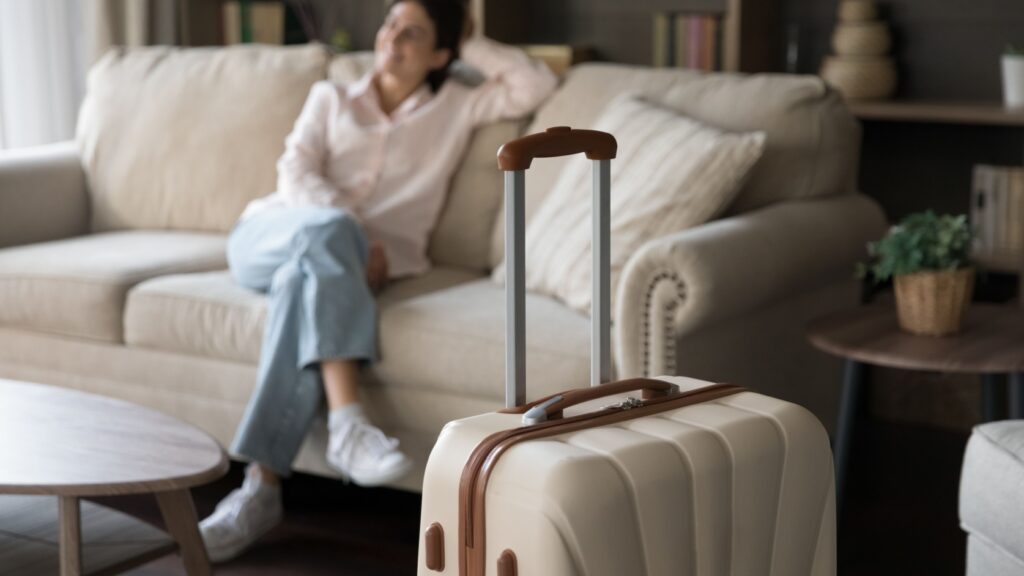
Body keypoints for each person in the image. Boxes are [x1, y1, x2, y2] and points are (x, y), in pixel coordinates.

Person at [198, 0, 557, 563]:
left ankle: (261, 489)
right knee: (325, 240)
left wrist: (467, 42)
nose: (393, 39)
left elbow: (535, 84)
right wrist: (353, 233)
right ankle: (347, 423)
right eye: (391, 25)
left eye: (413, 33)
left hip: (324, 267)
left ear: (440, 53)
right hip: (269, 234)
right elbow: (295, 172)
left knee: (304, 285)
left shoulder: (458, 106)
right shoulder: (332, 96)